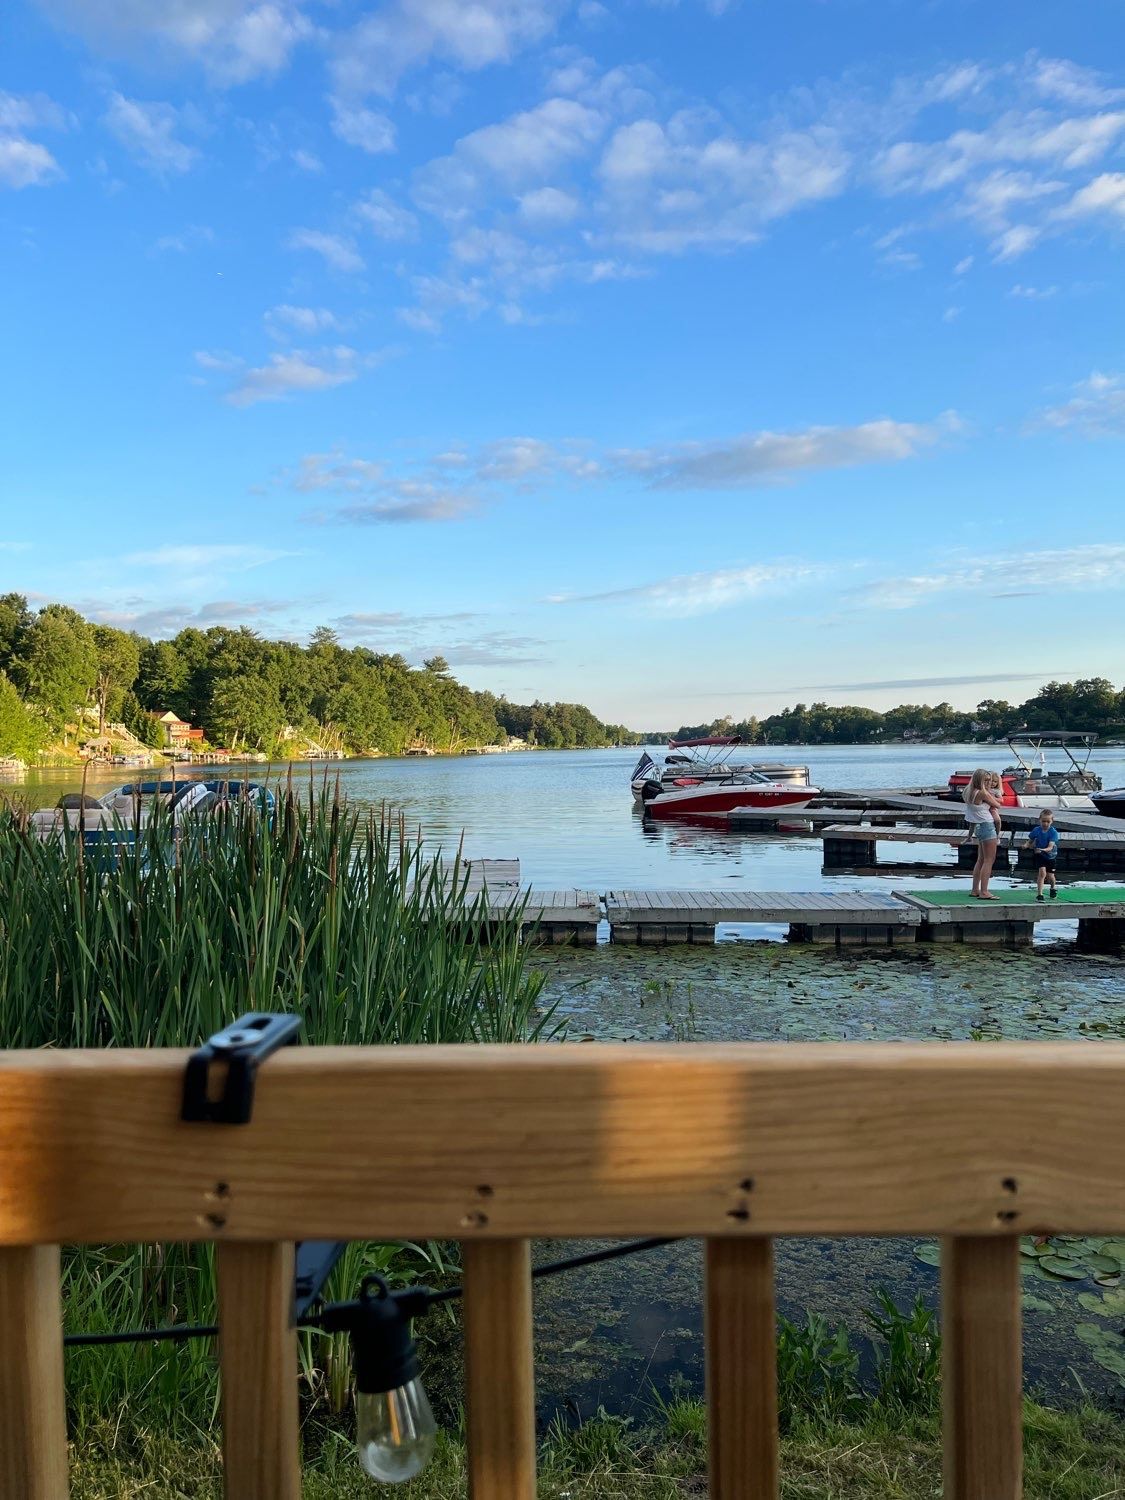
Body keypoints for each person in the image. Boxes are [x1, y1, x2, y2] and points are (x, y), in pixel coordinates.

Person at [962, 767, 1004, 899]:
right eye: (985, 780)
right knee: (989, 860)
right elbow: (998, 805)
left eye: (989, 780)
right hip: (987, 826)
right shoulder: (983, 793)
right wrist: (994, 796)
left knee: (980, 860)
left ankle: (975, 889)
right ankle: (984, 892)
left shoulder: (968, 791)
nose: (987, 783)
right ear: (979, 779)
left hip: (978, 827)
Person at [1025, 809, 1060, 901]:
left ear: (1052, 821)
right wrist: (1026, 845)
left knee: (1050, 876)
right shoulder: (1036, 830)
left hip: (1050, 855)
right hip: (1040, 855)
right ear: (1039, 820)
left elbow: (1050, 847)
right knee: (1042, 873)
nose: (1045, 824)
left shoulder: (1053, 832)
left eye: (1048, 821)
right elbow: (1030, 840)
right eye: (1043, 821)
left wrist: (1041, 850)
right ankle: (1040, 894)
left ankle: (1052, 888)